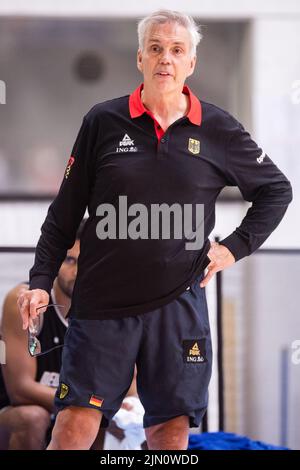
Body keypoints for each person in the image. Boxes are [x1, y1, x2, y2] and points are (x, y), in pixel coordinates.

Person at [17, 10, 292, 450]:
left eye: (177, 50)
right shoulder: (103, 122)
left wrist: (233, 249)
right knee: (73, 427)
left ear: (191, 64)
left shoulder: (218, 128)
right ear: (141, 57)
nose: (167, 58)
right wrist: (40, 282)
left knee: (169, 434)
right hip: (102, 306)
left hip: (178, 307)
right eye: (157, 48)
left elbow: (276, 190)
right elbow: (64, 213)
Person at [0, 220, 144, 449]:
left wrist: (123, 408)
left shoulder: (112, 309)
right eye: (69, 260)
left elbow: (129, 383)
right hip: (17, 413)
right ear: (55, 261)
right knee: (32, 417)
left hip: (79, 409)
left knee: (121, 422)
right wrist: (89, 405)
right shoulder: (26, 301)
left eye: (86, 261)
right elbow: (20, 389)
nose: (77, 271)